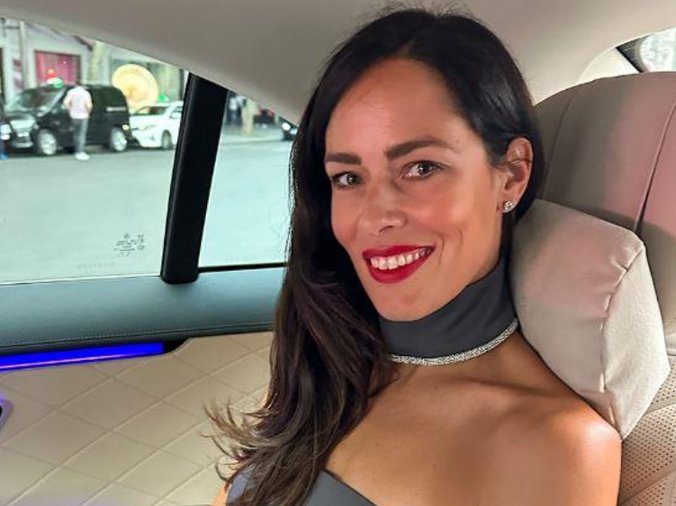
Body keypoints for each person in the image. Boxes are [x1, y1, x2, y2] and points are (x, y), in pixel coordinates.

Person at [210, 8, 622, 506]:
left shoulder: (557, 445)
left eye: (421, 167)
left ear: (512, 174)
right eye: (349, 178)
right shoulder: (317, 370)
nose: (375, 217)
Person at [63, 83, 92, 160]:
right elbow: (88, 105)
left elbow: (66, 102)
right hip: (83, 115)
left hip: (74, 115)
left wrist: (70, 110)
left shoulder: (71, 92)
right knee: (82, 134)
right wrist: (88, 112)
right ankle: (81, 151)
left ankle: (76, 151)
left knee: (76, 134)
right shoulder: (85, 93)